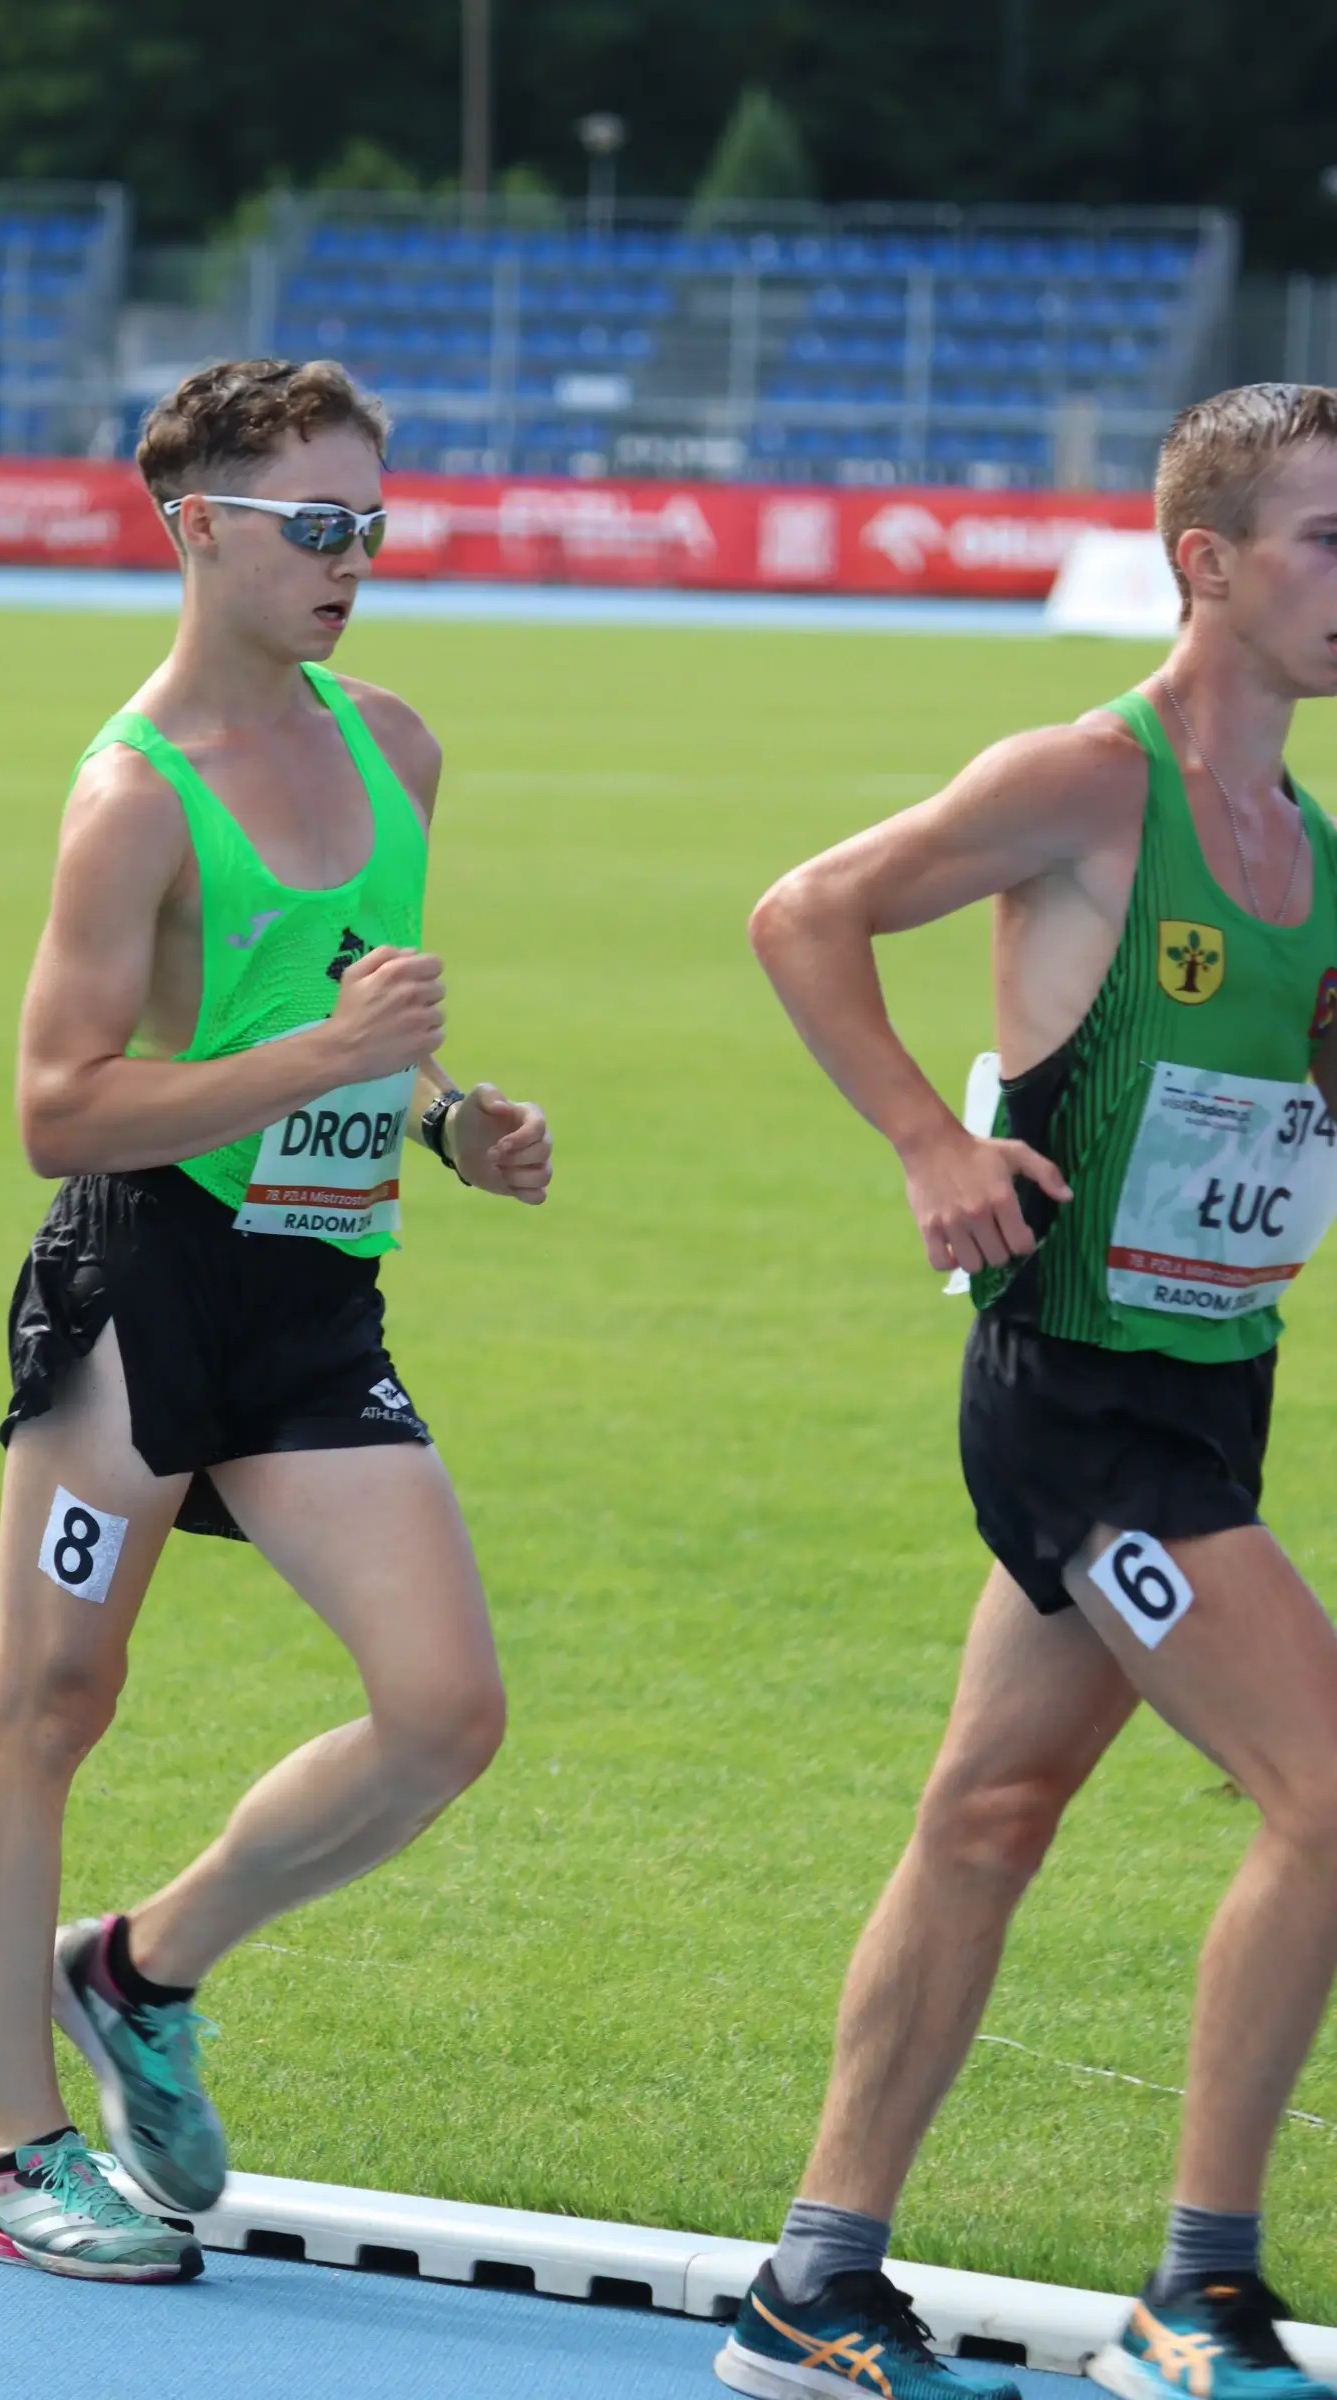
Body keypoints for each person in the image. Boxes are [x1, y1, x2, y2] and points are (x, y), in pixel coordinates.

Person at [719, 383, 1337, 2400]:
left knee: (986, 1813)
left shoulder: (1309, 852)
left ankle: (812, 2284)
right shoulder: (1089, 782)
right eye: (1324, 541)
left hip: (1204, 1394)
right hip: (1078, 1404)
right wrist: (922, 1138)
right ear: (1204, 561)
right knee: (1328, 1802)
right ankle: (1197, 2290)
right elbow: (802, 912)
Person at [0, 357, 552, 2283]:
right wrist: (324, 1058)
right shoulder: (135, 796)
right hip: (146, 1282)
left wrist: (450, 1114)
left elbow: (356, 1004)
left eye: (373, 521)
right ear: (196, 527)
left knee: (445, 1711)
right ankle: (17, 2153)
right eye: (316, 524)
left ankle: (142, 1964)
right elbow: (60, 1104)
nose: (354, 558)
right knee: (53, 1697)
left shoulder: (397, 749)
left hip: (313, 1288)